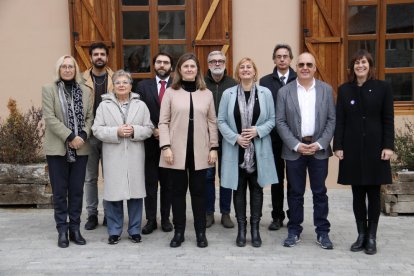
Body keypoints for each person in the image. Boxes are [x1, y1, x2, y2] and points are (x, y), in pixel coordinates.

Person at [333, 49, 394, 255]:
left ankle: (372, 236)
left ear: (370, 66)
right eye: (357, 63)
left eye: (364, 62)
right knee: (357, 193)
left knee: (374, 194)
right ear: (352, 67)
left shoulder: (383, 88)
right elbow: (340, 120)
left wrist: (388, 146)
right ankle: (360, 234)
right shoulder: (344, 90)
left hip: (376, 149)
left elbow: (388, 119)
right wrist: (338, 146)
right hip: (351, 149)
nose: (360, 66)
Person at [276, 52, 336, 249]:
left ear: (315, 68)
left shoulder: (326, 90)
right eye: (301, 64)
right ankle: (294, 230)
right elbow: (280, 121)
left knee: (320, 192)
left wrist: (319, 144)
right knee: (295, 192)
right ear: (296, 66)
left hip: (318, 150)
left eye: (309, 64)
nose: (305, 67)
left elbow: (331, 120)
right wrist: (296, 144)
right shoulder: (285, 92)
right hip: (295, 150)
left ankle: (323, 232)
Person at [159, 53, 219, 248]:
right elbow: (163, 122)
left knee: (199, 193)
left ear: (197, 70)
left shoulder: (206, 93)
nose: (189, 69)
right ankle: (179, 232)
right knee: (177, 193)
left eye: (192, 66)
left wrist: (213, 147)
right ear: (179, 70)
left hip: (200, 151)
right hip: (175, 152)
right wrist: (165, 146)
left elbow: (212, 122)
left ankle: (201, 232)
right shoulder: (171, 92)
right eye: (185, 66)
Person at [218, 57, 278, 247]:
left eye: (248, 67)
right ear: (237, 72)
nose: (245, 70)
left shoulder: (265, 92)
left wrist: (257, 131)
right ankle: (242, 230)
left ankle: (255, 229)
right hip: (236, 149)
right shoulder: (228, 94)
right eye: (242, 67)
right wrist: (235, 137)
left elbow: (272, 119)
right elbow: (221, 121)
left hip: (258, 149)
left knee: (257, 189)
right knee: (238, 190)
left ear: (254, 71)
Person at [92, 70, 153, 244]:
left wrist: (135, 130)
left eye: (125, 82)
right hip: (113, 155)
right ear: (113, 86)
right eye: (118, 82)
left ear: (130, 86)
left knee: (135, 194)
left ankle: (134, 230)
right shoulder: (104, 105)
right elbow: (96, 129)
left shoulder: (140, 105)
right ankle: (114, 230)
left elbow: (149, 128)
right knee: (113, 195)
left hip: (135, 154)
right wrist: (116, 132)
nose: (121, 85)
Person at [42, 55, 93, 248]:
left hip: (81, 149)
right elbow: (50, 117)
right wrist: (71, 136)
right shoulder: (49, 89)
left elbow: (90, 117)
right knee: (60, 192)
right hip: (58, 149)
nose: (67, 69)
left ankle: (75, 229)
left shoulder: (86, 91)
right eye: (63, 66)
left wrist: (83, 135)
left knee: (77, 191)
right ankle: (62, 230)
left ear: (76, 70)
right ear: (59, 69)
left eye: (71, 66)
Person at [259, 43, 297, 231]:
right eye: (278, 56)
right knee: (276, 180)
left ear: (291, 59)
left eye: (285, 56)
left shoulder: (299, 79)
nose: (282, 59)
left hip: (293, 138)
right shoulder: (265, 81)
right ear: (274, 59)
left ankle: (294, 215)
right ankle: (277, 216)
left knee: (293, 179)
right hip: (273, 138)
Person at [137, 52, 174, 234]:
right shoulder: (143, 86)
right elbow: (139, 111)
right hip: (149, 143)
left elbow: (180, 114)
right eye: (158, 62)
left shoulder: (178, 86)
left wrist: (166, 132)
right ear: (154, 65)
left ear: (171, 67)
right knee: (150, 184)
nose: (162, 65)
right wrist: (153, 129)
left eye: (166, 62)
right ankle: (151, 219)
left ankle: (166, 219)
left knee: (168, 184)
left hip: (171, 143)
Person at [83, 42, 114, 230]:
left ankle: (110, 214)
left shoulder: (115, 78)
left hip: (110, 134)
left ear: (107, 57)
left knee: (110, 176)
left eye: (103, 54)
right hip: (89, 135)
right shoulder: (82, 80)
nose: (99, 57)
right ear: (91, 57)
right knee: (90, 178)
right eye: (96, 54)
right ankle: (92, 214)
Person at [204, 50, 237, 228]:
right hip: (206, 139)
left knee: (226, 176)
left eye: (220, 61)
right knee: (208, 177)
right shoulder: (200, 83)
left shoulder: (233, 84)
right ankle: (208, 212)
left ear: (225, 63)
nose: (217, 64)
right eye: (213, 61)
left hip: (228, 139)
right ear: (208, 64)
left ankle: (225, 213)